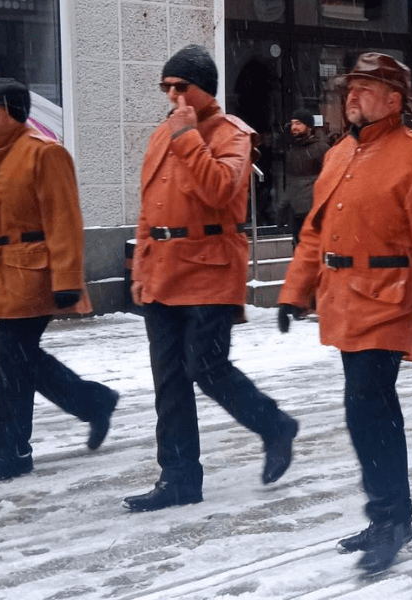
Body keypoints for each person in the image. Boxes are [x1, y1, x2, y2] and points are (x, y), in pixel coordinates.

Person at [278, 53, 412, 573]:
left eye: (365, 88)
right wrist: (294, 291)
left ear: (395, 100)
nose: (351, 96)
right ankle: (389, 512)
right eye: (350, 88)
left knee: (366, 407)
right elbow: (315, 231)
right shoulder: (339, 155)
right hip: (342, 298)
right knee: (371, 410)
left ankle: (390, 519)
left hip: (388, 299)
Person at [125, 45, 299, 512]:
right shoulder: (164, 133)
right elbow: (150, 207)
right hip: (162, 270)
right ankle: (179, 476)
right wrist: (140, 268)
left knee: (205, 367)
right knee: (169, 380)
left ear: (206, 89)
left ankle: (274, 425)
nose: (173, 95)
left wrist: (187, 137)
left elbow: (221, 190)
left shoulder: (233, 134)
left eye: (182, 87)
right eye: (167, 88)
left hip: (209, 269)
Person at [0, 78, 118, 483]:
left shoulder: (44, 155)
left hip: (35, 276)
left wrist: (68, 278)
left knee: (9, 364)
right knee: (24, 361)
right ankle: (94, 402)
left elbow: (64, 220)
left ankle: (10, 452)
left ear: (15, 111)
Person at [280, 108, 329, 247]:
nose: (294, 127)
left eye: (298, 123)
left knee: (315, 253)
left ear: (309, 126)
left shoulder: (320, 148)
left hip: (315, 213)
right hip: (297, 213)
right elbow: (290, 183)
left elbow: (330, 180)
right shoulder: (291, 152)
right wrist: (283, 207)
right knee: (299, 252)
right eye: (292, 123)